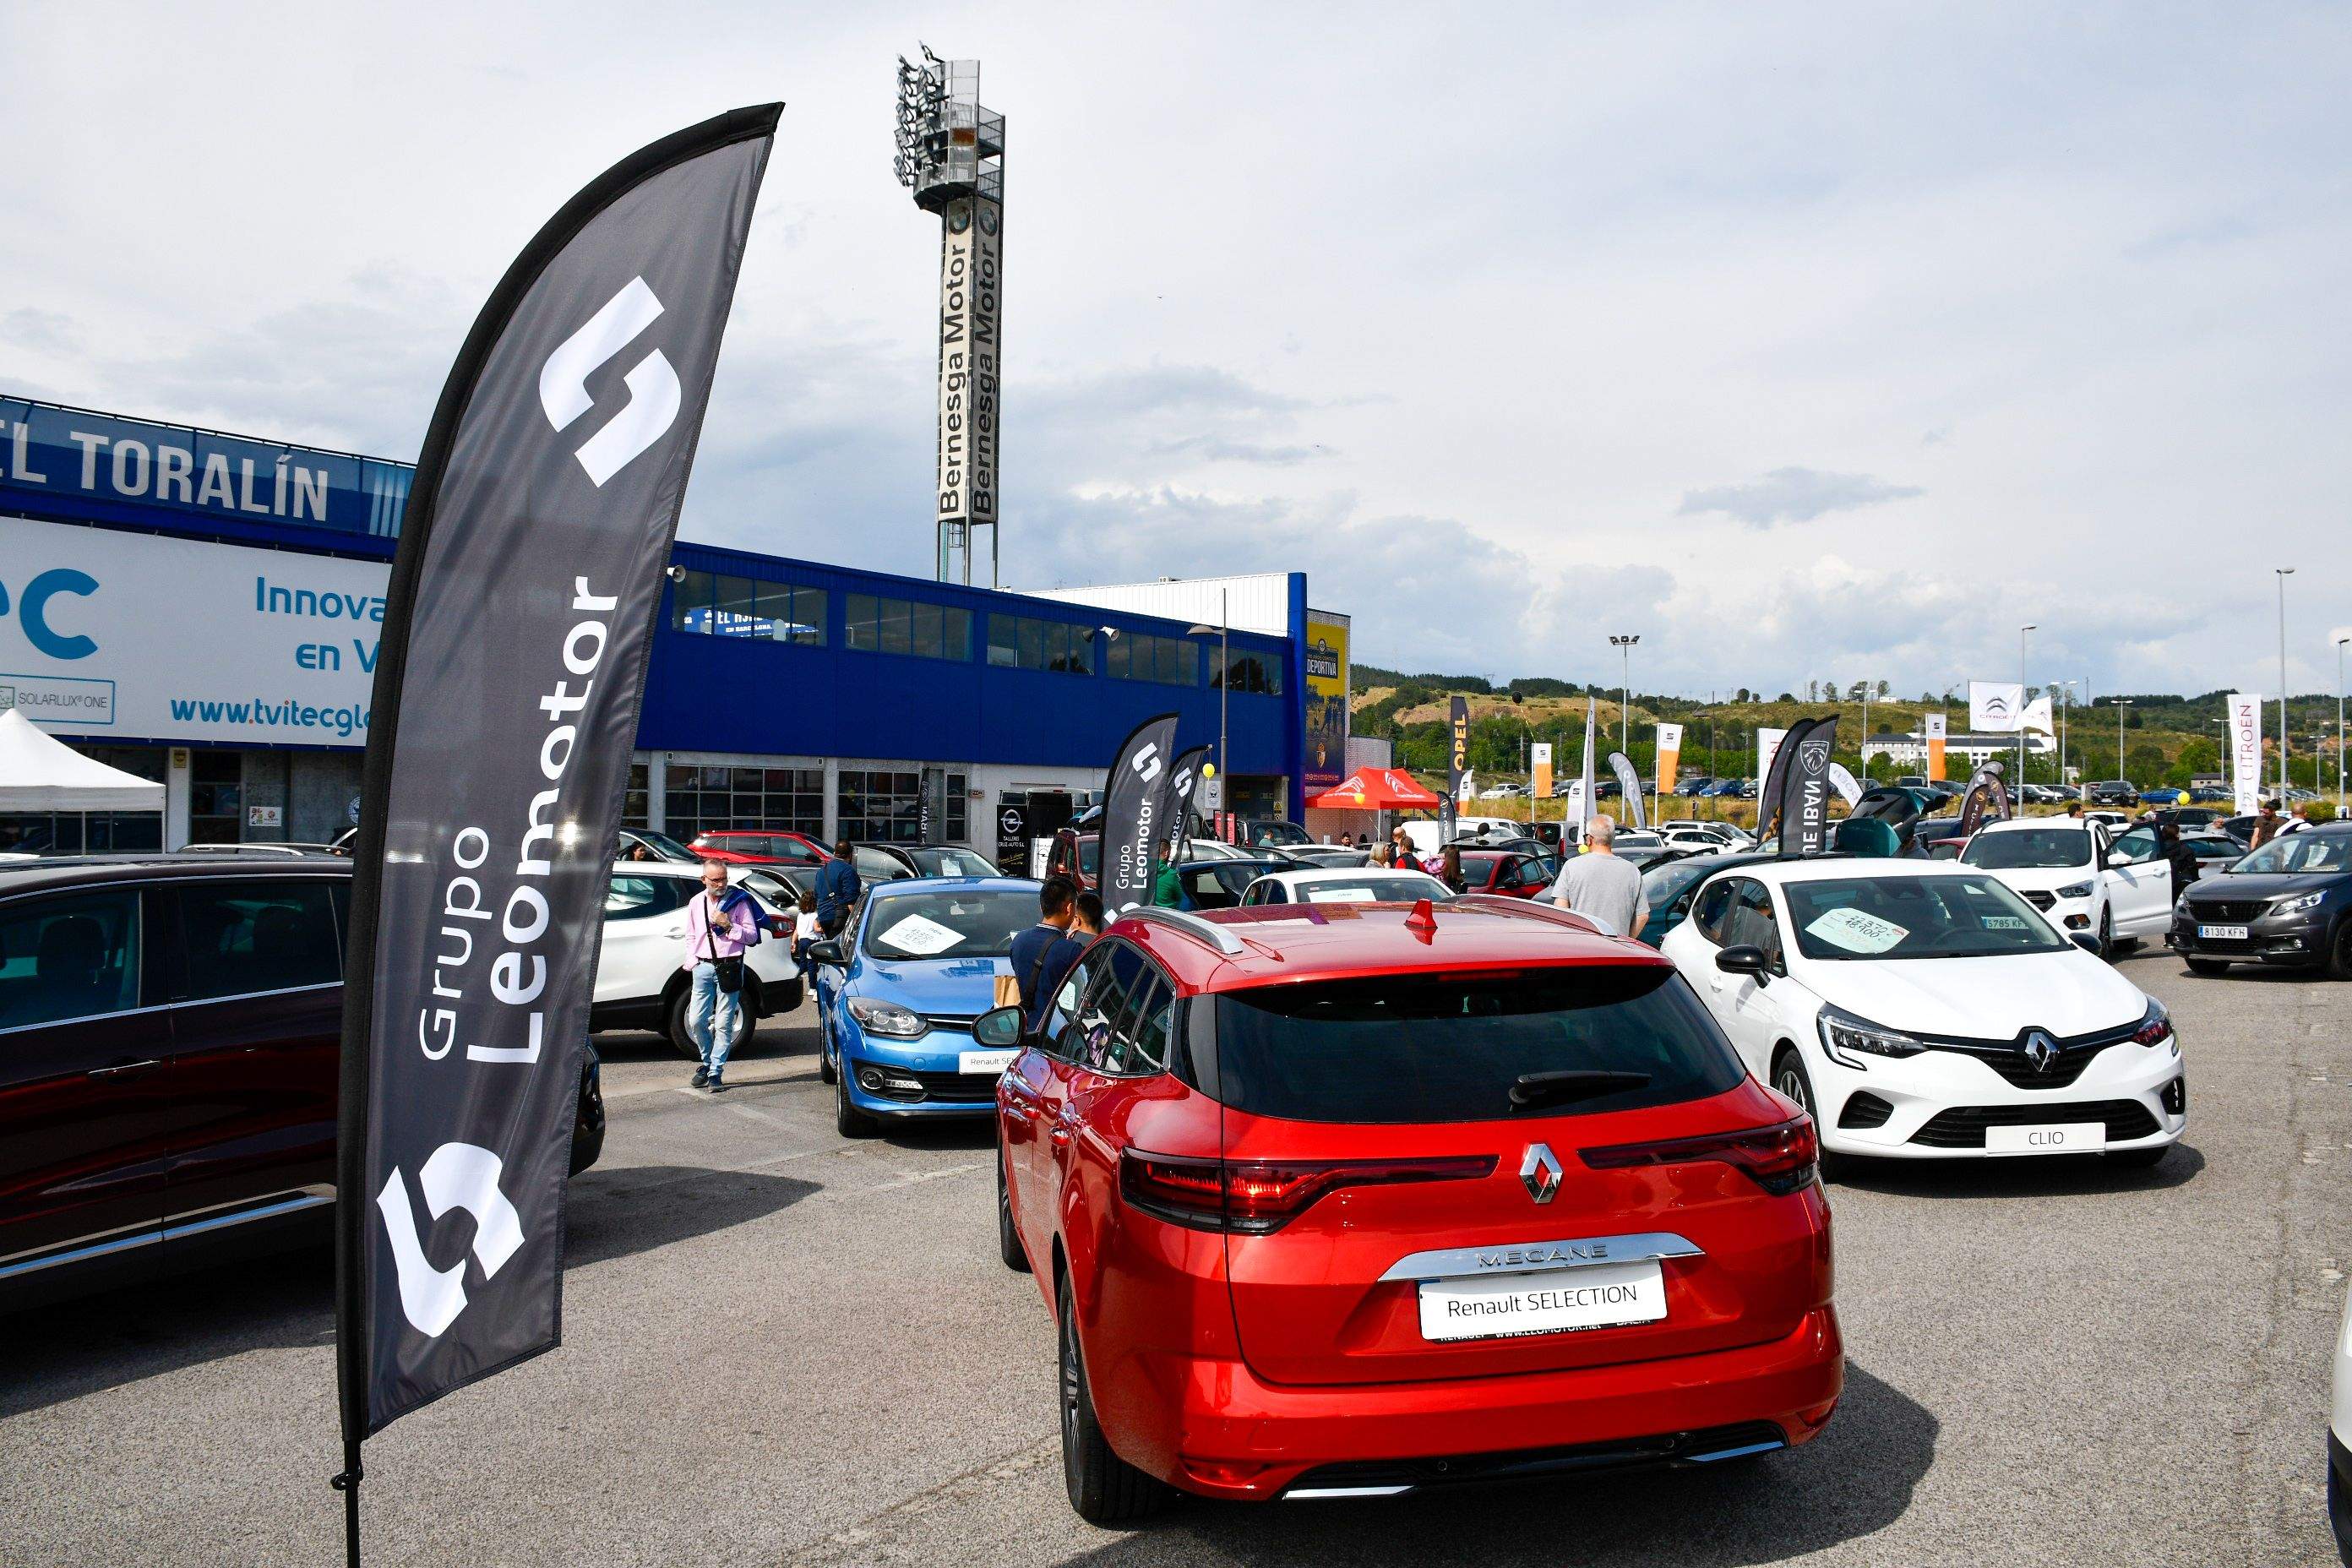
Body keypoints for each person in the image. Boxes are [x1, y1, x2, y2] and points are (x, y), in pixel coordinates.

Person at [683, 859, 764, 1092]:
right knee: (696, 1020)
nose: (721, 884)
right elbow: (690, 935)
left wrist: (729, 926)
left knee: (723, 1022)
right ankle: (707, 1062)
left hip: (730, 966)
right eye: (716, 879)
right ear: (704, 880)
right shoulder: (696, 903)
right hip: (703, 967)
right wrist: (693, 960)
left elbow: (751, 936)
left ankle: (716, 1071)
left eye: (724, 878)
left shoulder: (738, 901)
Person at [1548, 813, 1646, 939]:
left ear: (1589, 839)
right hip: (1618, 950)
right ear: (1612, 838)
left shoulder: (1571, 866)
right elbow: (1643, 916)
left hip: (1582, 947)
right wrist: (1626, 940)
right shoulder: (1632, 870)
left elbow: (1561, 911)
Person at [1010, 876, 1086, 1037]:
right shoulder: (1072, 950)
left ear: (1041, 906)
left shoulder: (1019, 940)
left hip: (1026, 1029)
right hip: (1055, 1032)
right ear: (1069, 908)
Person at [814, 838, 861, 938]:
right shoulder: (848, 871)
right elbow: (851, 901)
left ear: (835, 853)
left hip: (823, 916)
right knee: (841, 949)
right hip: (840, 918)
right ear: (850, 855)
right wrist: (857, 922)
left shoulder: (822, 871)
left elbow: (817, 895)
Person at [789, 890, 821, 985]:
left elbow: (797, 930)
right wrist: (823, 928)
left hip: (802, 942)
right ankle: (812, 986)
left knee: (803, 963)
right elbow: (817, 929)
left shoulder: (800, 915)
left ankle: (793, 978)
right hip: (812, 942)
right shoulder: (815, 915)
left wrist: (793, 942)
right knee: (812, 964)